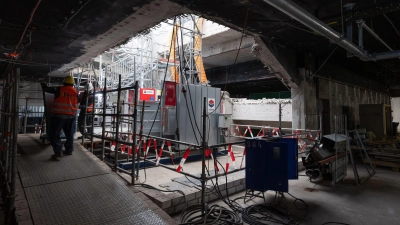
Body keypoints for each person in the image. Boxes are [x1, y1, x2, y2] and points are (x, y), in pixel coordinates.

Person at [42, 75, 78, 160]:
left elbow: (47, 89)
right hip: (71, 116)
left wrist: (43, 84)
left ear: (64, 83)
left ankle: (58, 151)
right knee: (70, 134)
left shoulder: (60, 89)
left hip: (59, 116)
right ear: (73, 84)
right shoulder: (75, 92)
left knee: (54, 134)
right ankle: (69, 150)